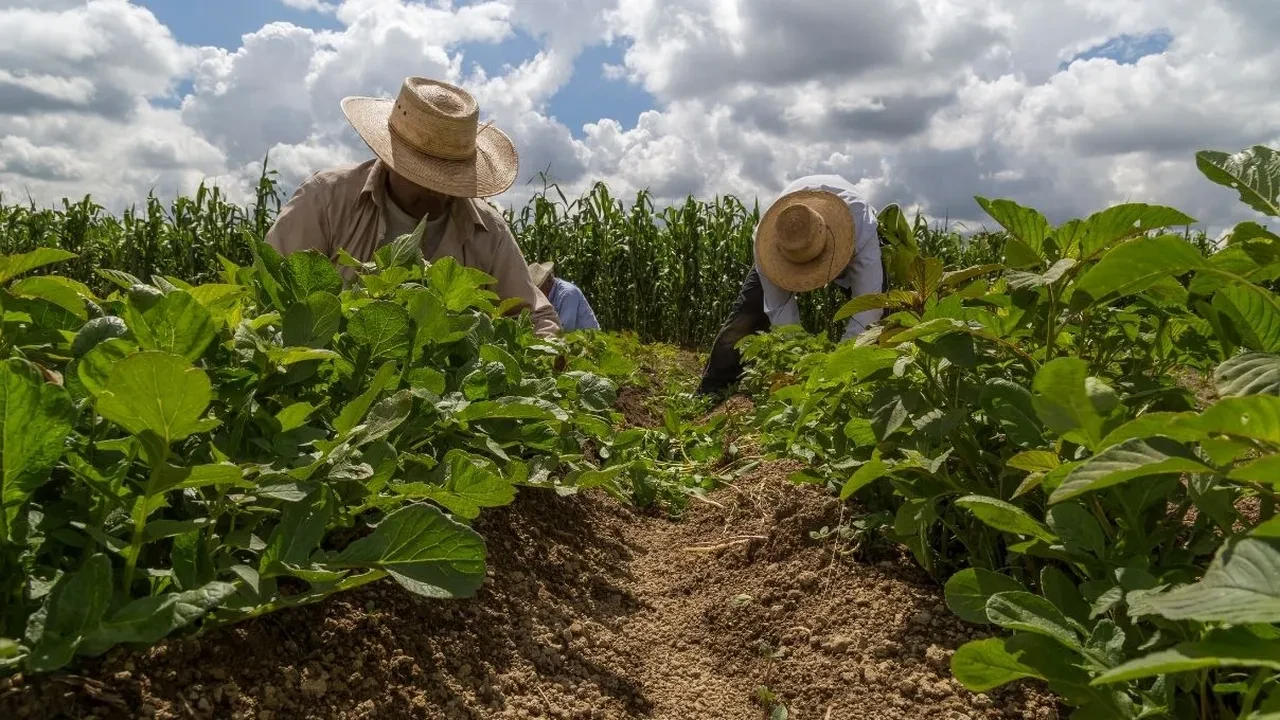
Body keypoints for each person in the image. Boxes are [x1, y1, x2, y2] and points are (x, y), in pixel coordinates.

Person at [265, 76, 560, 338]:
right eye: (422, 175)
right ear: (391, 156)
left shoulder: (488, 231)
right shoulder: (327, 198)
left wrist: (546, 351)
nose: (437, 189)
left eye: (449, 177)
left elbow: (534, 317)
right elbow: (271, 285)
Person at [697, 174, 886, 396]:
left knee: (885, 316)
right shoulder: (769, 243)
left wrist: (836, 367)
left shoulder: (860, 229)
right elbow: (780, 312)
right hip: (784, 248)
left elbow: (867, 311)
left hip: (854, 239)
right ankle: (711, 390)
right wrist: (799, 362)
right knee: (746, 314)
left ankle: (875, 387)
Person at [529, 261, 600, 332]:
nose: (537, 292)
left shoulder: (568, 293)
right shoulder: (548, 295)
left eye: (538, 288)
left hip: (588, 337)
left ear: (547, 281)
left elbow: (566, 327)